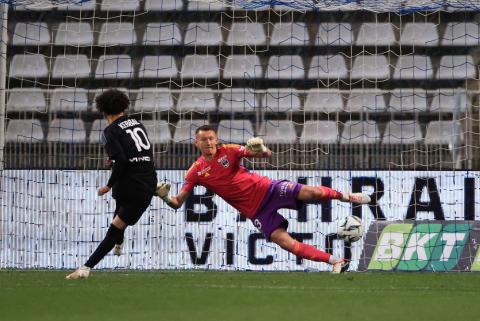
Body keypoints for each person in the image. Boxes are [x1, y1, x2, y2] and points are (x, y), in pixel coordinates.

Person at [155, 125, 371, 273]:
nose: (209, 142)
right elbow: (177, 203)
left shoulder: (228, 151)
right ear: (196, 143)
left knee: (311, 192)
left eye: (211, 138)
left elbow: (263, 155)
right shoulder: (195, 172)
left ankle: (347, 197)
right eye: (204, 139)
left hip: (268, 189)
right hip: (256, 212)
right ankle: (336, 262)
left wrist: (261, 148)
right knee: (286, 243)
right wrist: (164, 197)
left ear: (216, 139)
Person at [66, 89, 158, 279]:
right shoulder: (137, 123)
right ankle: (119, 242)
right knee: (119, 205)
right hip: (146, 179)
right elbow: (135, 152)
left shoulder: (109, 132)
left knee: (114, 228)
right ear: (124, 106)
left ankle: (85, 268)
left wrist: (107, 185)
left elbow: (122, 161)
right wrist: (114, 161)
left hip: (133, 186)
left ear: (103, 110)